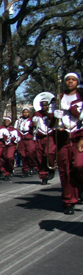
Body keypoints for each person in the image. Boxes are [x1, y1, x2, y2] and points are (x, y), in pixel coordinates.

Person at [54, 73, 83, 214]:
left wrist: (71, 108)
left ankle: (79, 188)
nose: (70, 82)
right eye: (68, 80)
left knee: (79, 165)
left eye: (73, 80)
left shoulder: (81, 97)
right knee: (65, 170)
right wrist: (53, 118)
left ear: (77, 82)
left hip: (79, 137)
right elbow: (51, 120)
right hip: (63, 138)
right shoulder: (59, 97)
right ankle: (69, 202)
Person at [33, 99, 54, 185]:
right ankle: (43, 176)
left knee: (49, 154)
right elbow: (33, 126)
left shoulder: (52, 113)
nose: (44, 107)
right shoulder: (37, 114)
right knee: (40, 157)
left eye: (46, 105)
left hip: (50, 136)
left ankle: (51, 168)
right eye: (43, 105)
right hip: (40, 137)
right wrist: (33, 124)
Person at [15, 106, 37, 177]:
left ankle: (32, 166)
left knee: (31, 153)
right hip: (22, 139)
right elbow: (16, 129)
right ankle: (25, 170)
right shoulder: (19, 121)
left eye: (27, 112)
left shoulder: (32, 120)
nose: (25, 113)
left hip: (29, 138)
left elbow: (35, 129)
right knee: (23, 155)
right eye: (24, 112)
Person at [2, 116, 19, 181]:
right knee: (4, 159)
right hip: (3, 146)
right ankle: (6, 173)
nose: (6, 122)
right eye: (5, 121)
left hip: (11, 145)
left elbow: (17, 138)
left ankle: (11, 168)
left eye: (8, 121)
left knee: (9, 157)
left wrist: (14, 139)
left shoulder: (13, 130)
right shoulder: (1, 129)